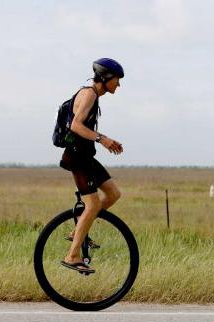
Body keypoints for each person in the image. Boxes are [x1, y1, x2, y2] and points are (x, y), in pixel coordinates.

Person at [59, 58, 125, 274]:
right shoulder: (88, 93)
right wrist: (102, 139)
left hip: (86, 156)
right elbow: (75, 125)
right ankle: (72, 255)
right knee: (93, 204)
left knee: (114, 194)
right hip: (77, 157)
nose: (118, 85)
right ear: (106, 78)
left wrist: (102, 140)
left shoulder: (94, 95)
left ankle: (78, 230)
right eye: (117, 80)